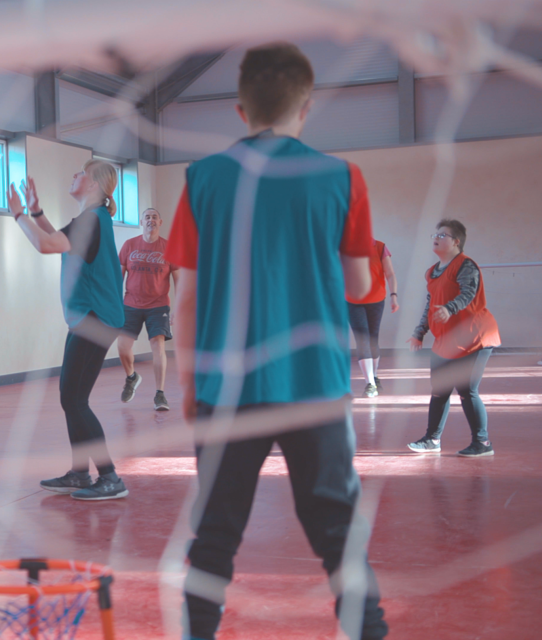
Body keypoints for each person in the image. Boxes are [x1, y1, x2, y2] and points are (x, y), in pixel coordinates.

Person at [167, 43, 389, 639]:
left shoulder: (202, 177)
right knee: (339, 535)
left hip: (226, 387)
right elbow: (360, 283)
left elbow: (183, 299)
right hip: (314, 384)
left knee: (213, 536)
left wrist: (190, 384)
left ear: (239, 109)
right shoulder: (342, 176)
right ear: (307, 107)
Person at [6, 160, 129, 501]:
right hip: (90, 319)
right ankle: (79, 473)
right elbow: (57, 237)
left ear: (92, 184)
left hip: (95, 319)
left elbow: (46, 245)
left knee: (74, 399)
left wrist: (19, 215)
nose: (73, 175)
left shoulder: (91, 220)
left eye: (79, 173)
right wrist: (36, 211)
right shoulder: (92, 220)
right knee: (72, 398)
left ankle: (109, 477)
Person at [406, 220, 500, 457]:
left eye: (443, 234)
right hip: (446, 340)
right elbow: (430, 303)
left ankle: (482, 443)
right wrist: (419, 332)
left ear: (456, 241)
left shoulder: (466, 266)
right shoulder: (432, 271)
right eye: (435, 234)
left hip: (475, 336)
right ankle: (432, 440)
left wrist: (449, 308)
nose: (436, 237)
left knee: (467, 389)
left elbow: (468, 292)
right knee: (439, 390)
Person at [117, 207, 178, 411]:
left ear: (160, 222)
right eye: (147, 217)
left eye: (154, 217)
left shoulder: (169, 248)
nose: (150, 220)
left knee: (157, 346)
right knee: (123, 347)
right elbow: (119, 277)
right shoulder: (129, 245)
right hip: (131, 304)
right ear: (141, 222)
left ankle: (160, 395)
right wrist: (114, 303)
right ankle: (132, 377)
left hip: (158, 305)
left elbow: (179, 281)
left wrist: (177, 308)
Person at [347, 239, 399, 397]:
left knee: (372, 339)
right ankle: (370, 384)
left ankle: (374, 376)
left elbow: (390, 274)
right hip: (352, 300)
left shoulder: (380, 247)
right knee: (362, 339)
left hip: (376, 300)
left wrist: (394, 296)